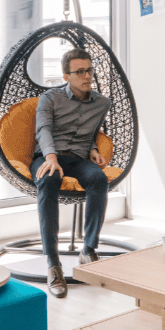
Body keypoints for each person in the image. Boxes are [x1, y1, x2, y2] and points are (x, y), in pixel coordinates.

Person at [33, 48, 112, 298]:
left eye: (89, 70)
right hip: (48, 156)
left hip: (77, 159)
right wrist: (51, 157)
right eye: (80, 72)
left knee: (99, 179)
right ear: (66, 76)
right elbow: (43, 129)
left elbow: (90, 132)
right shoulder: (50, 98)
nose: (87, 76)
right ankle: (53, 263)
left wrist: (93, 149)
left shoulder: (102, 103)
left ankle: (88, 249)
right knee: (49, 179)